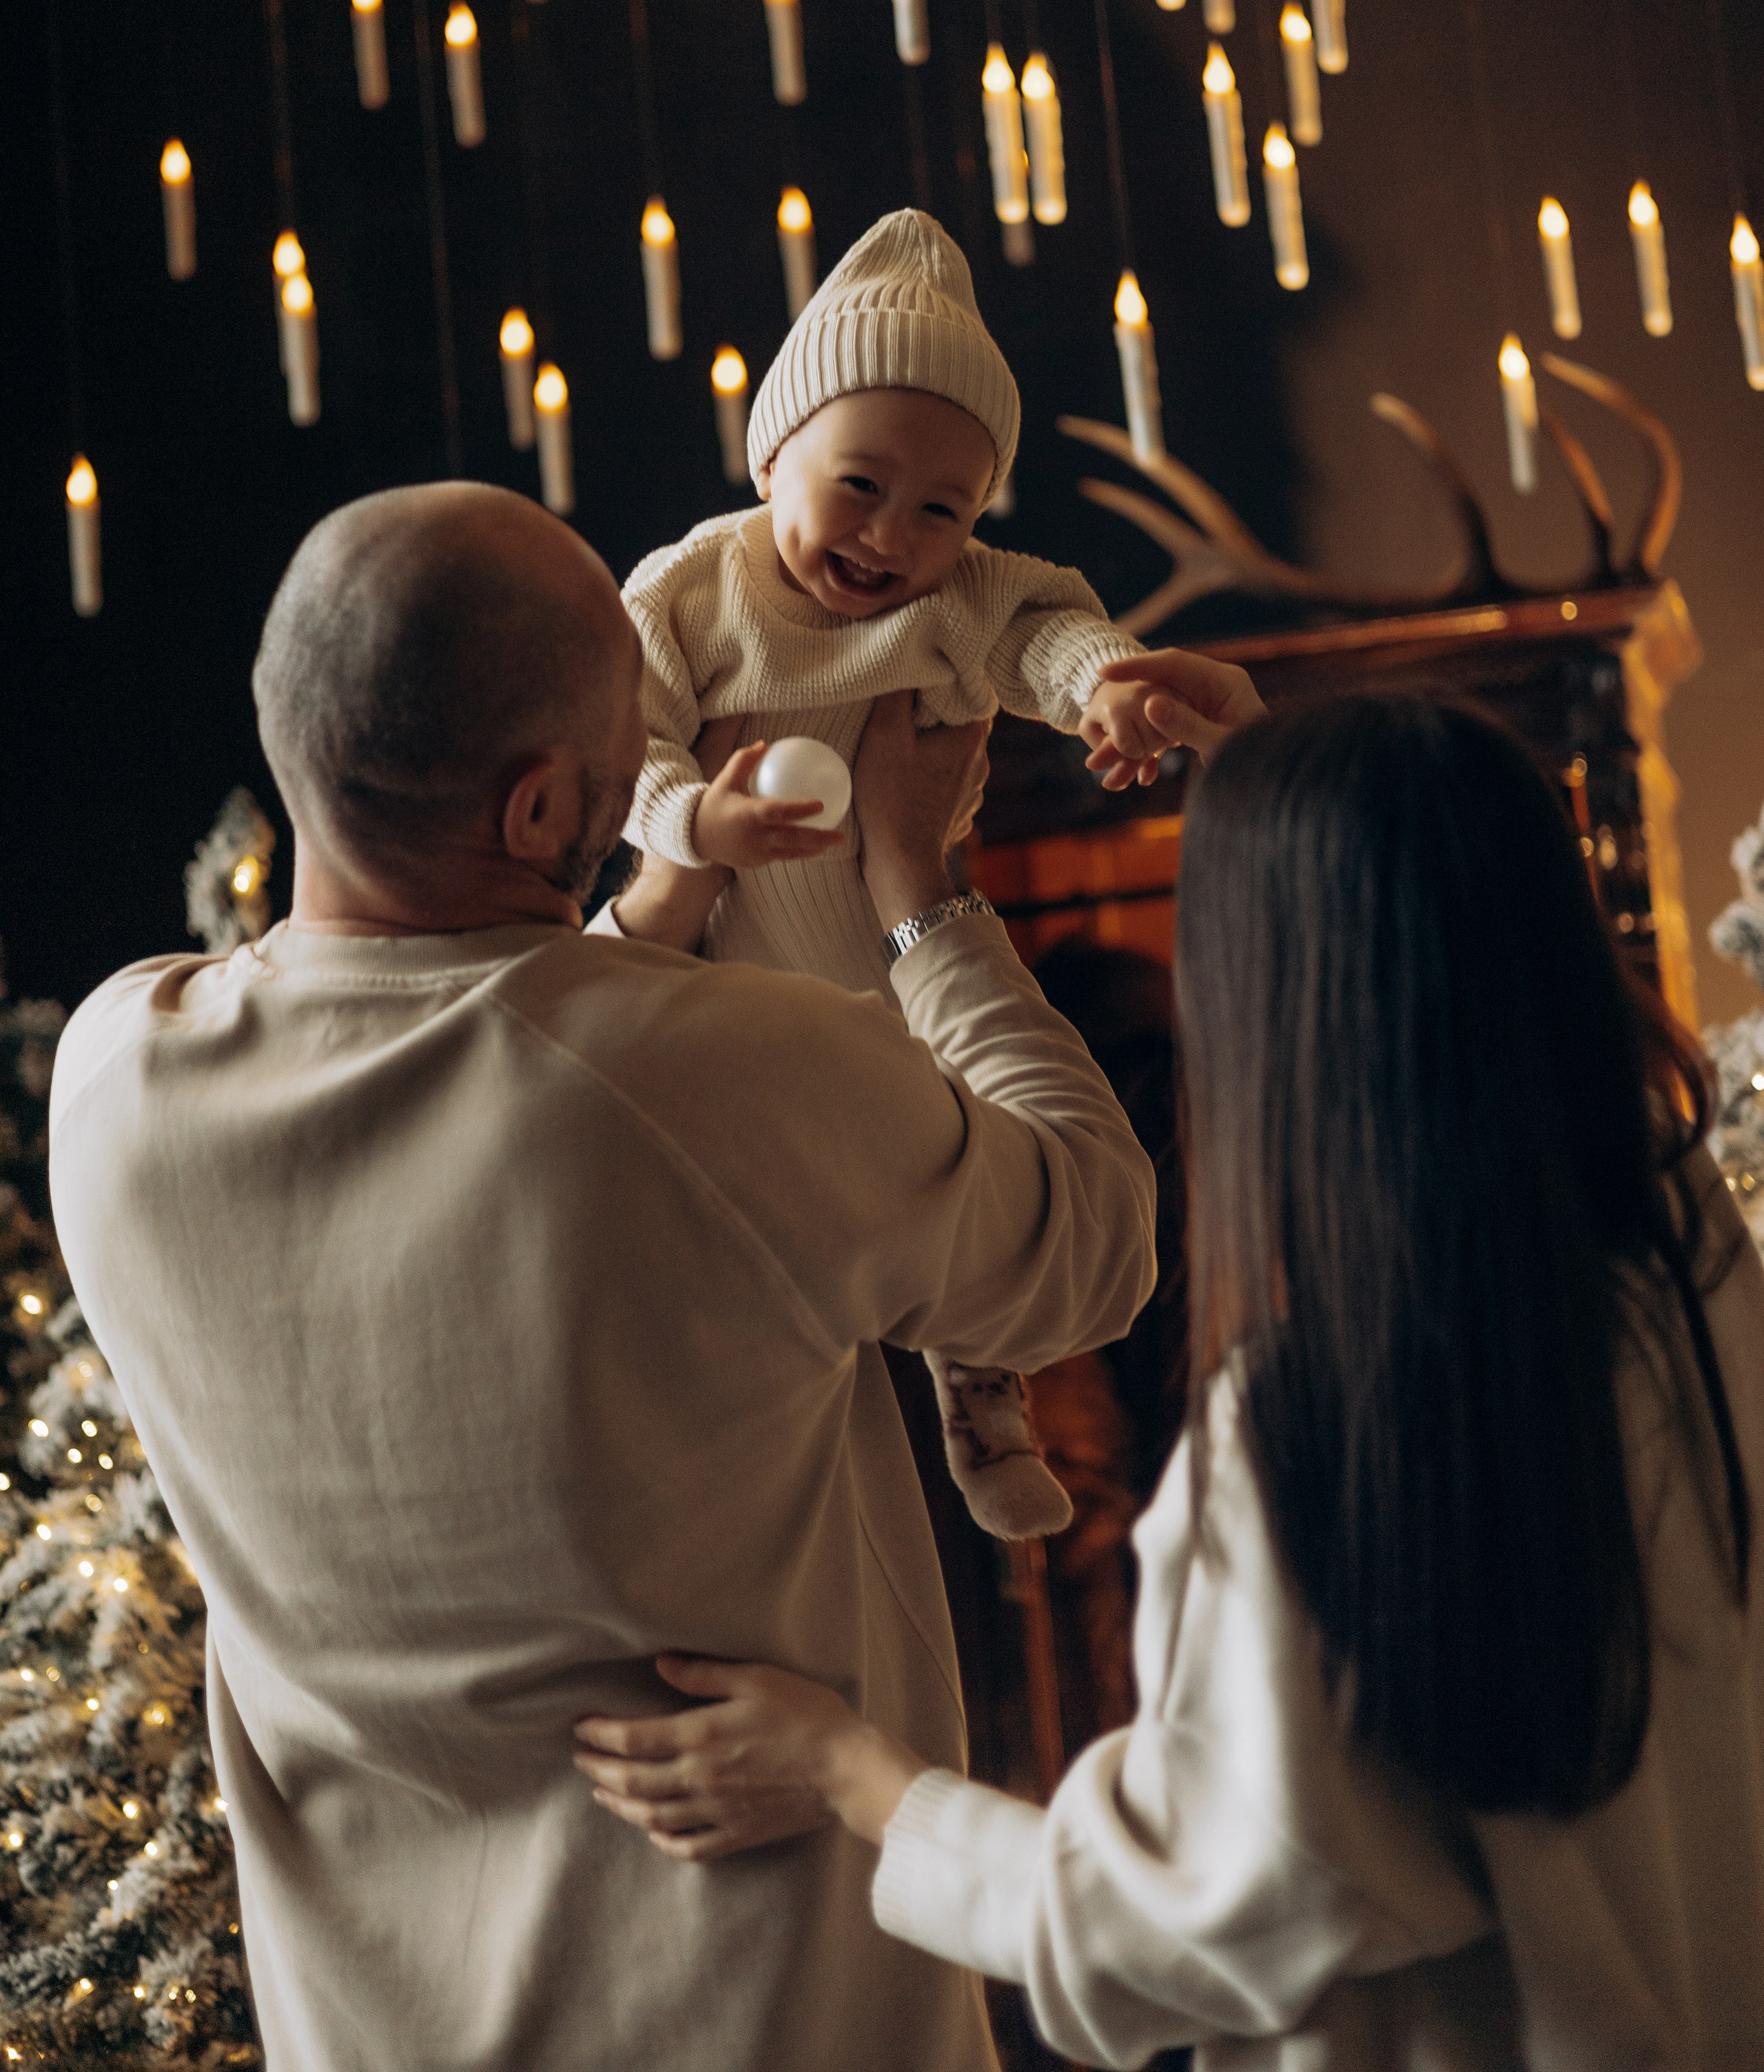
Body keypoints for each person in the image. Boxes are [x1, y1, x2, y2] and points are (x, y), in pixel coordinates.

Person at [45, 480, 1193, 2072]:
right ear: (535, 816)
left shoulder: (111, 1081)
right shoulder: (729, 1076)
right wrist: (918, 888)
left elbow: (521, 1050)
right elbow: (1093, 1236)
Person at [579, 693, 1764, 2071]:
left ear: (1265, 995)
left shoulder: (1318, 1421)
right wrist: (1305, 781)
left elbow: (1175, 1921)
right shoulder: (1681, 1271)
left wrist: (852, 1775)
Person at [622, 205, 1206, 1539]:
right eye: (859, 485)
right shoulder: (690, 595)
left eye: (941, 508)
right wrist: (690, 825)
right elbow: (625, 736)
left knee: (957, 1158)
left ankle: (979, 1403)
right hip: (733, 964)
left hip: (898, 976)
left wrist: (1105, 688)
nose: (891, 535)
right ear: (773, 455)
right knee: (738, 1177)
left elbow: (1047, 629)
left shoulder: (956, 597)